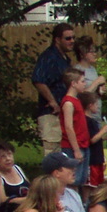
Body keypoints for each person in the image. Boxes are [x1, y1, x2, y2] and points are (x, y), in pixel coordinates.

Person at [32, 22, 76, 154]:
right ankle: (50, 176)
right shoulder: (49, 57)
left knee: (63, 153)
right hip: (51, 113)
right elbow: (38, 79)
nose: (72, 41)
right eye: (68, 38)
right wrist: (52, 102)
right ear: (57, 39)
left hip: (63, 112)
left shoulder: (65, 59)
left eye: (73, 38)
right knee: (52, 152)